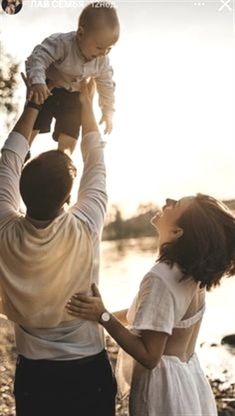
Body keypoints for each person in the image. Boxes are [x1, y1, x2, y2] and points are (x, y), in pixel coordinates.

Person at [0, 78, 116, 416]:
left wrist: (33, 105)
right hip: (87, 370)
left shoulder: (5, 230)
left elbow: (9, 158)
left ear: (21, 191)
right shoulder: (85, 225)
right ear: (69, 198)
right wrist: (87, 104)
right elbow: (96, 159)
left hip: (35, 374)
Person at [66, 195, 235, 415]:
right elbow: (148, 318)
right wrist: (95, 315)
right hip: (189, 381)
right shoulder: (193, 274)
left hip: (164, 391)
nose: (168, 200)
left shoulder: (161, 278)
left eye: (177, 205)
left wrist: (104, 317)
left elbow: (149, 356)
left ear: (177, 232)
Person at [25, 1, 120, 155]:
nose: (103, 53)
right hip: (48, 89)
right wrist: (37, 82)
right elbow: (38, 58)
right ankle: (22, 151)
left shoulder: (101, 61)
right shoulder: (62, 44)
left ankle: (63, 161)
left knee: (70, 134)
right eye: (99, 47)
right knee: (34, 123)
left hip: (73, 97)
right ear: (81, 34)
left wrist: (108, 111)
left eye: (108, 49)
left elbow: (107, 85)